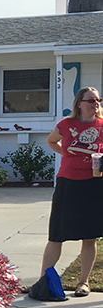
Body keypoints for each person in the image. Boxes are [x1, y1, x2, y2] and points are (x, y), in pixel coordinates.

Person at [40, 87, 103, 297]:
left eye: (97, 100)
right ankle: (44, 282)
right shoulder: (66, 125)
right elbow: (51, 141)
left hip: (94, 184)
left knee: (90, 236)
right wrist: (66, 153)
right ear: (79, 103)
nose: (95, 104)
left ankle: (83, 282)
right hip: (68, 183)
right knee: (56, 234)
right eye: (90, 100)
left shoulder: (102, 126)